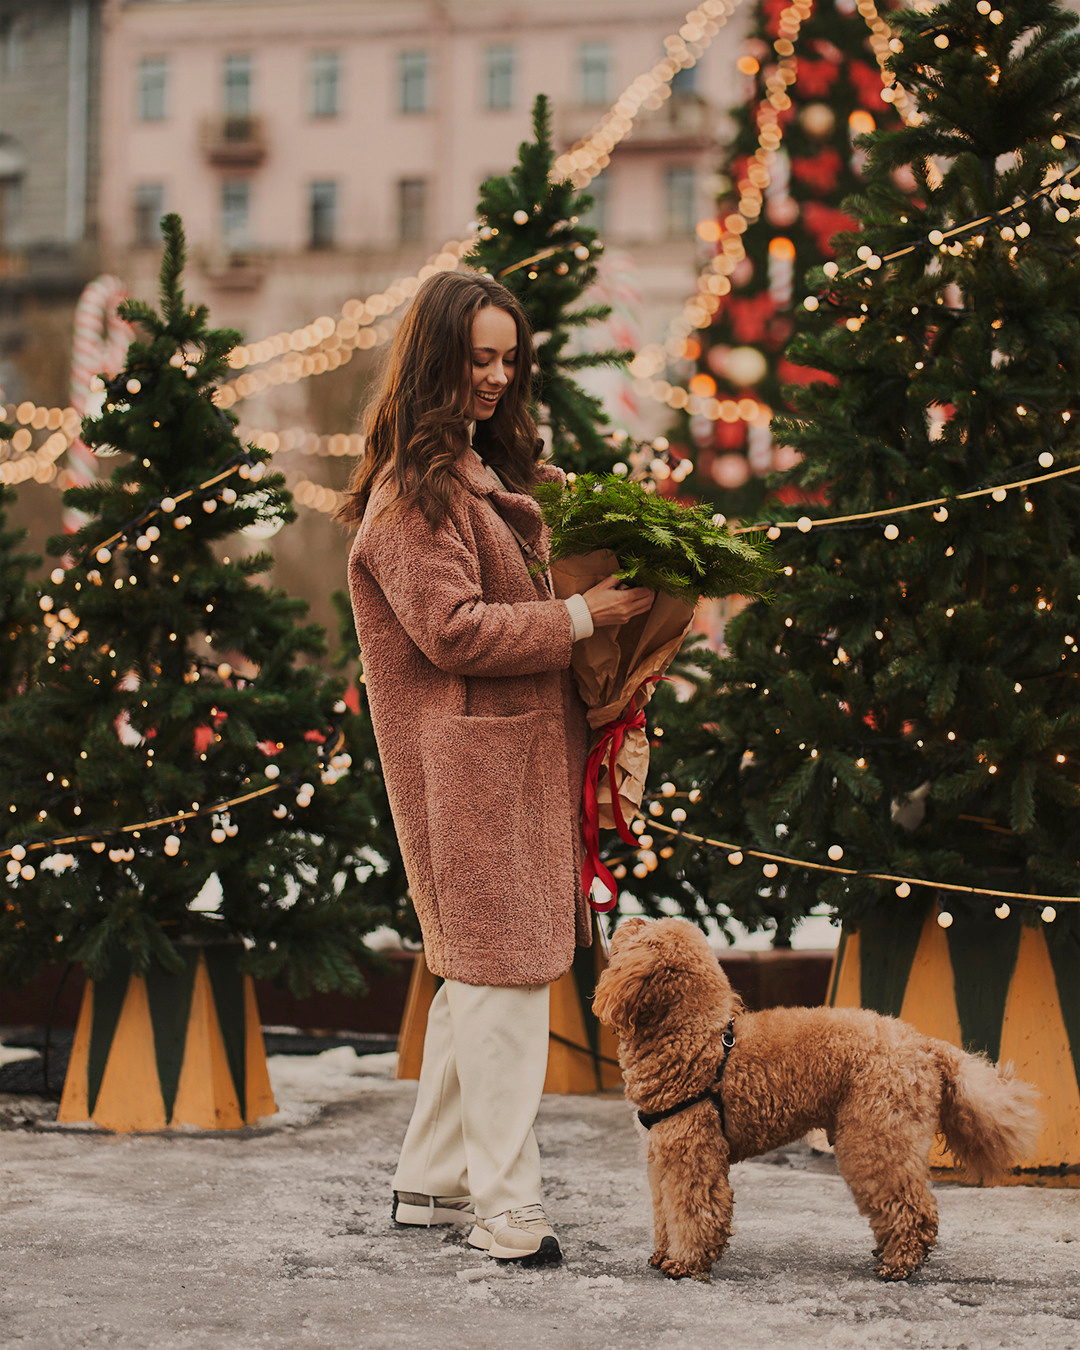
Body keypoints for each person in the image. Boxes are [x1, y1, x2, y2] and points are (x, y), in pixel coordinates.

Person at [339, 269, 652, 1266]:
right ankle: (505, 1207)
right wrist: (579, 618)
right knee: (504, 980)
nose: (496, 376)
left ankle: (434, 1183)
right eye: (478, 357)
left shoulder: (480, 478)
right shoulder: (411, 494)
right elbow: (449, 630)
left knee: (485, 975)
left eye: (508, 358)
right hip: (465, 769)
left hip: (508, 763)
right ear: (436, 359)